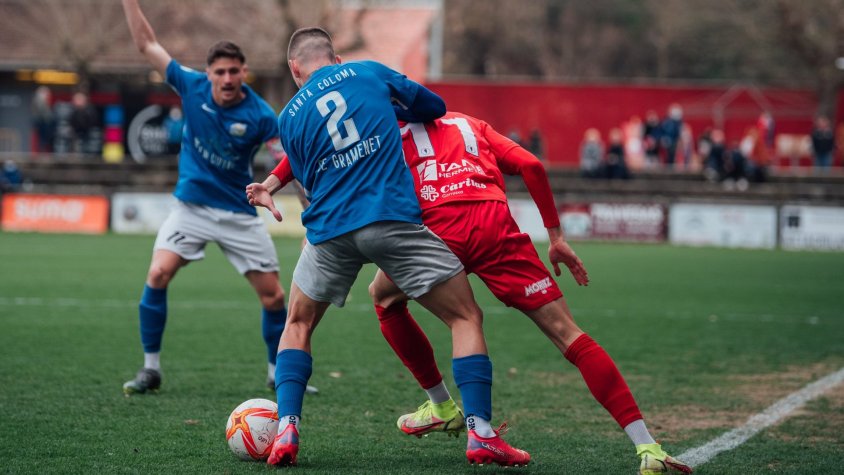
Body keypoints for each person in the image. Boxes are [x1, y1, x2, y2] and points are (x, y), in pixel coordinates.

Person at [253, 110, 693, 474]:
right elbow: (534, 167)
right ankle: (647, 447)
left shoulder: (382, 129)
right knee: (569, 335)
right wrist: (556, 237)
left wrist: (275, 181)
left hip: (439, 230)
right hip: (496, 227)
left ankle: (444, 407)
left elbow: (319, 152)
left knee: (386, 299)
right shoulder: (473, 124)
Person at [246, 27, 527, 468]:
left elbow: (307, 178)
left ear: (294, 69)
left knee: (297, 323)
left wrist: (270, 184)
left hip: (330, 231)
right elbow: (432, 107)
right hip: (390, 220)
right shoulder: (368, 72)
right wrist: (386, 106)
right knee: (465, 316)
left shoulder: (289, 117)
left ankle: (286, 428)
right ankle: (482, 435)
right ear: (335, 58)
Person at [119, 0, 312, 397]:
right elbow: (146, 44)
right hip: (190, 207)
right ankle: (150, 368)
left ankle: (277, 372)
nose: (226, 78)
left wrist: (310, 207)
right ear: (208, 74)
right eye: (219, 71)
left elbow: (286, 159)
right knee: (157, 274)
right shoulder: (189, 85)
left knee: (274, 296)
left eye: (233, 71)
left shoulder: (261, 115)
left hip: (239, 213)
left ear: (243, 73)